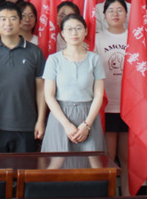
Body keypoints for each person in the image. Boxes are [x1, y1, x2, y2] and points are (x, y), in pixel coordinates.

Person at [0, 2, 47, 152]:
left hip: (26, 126)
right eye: (2, 19)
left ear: (20, 22)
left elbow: (41, 89)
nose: (7, 23)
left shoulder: (35, 52)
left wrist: (40, 120)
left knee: (24, 167)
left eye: (13, 18)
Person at [41, 14, 105, 153]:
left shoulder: (95, 59)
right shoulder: (53, 60)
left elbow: (98, 95)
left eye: (78, 28)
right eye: (69, 29)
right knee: (57, 162)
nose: (74, 33)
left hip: (88, 115)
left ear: (86, 31)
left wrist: (87, 125)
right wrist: (66, 124)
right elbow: (49, 96)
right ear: (63, 34)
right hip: (60, 116)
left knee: (91, 162)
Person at [93, 0, 129, 194]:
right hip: (106, 106)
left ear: (126, 13)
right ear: (104, 15)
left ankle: (128, 194)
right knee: (109, 157)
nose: (115, 14)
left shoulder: (135, 37)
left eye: (119, 10)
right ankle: (111, 194)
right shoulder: (97, 39)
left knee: (127, 158)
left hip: (129, 107)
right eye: (111, 11)